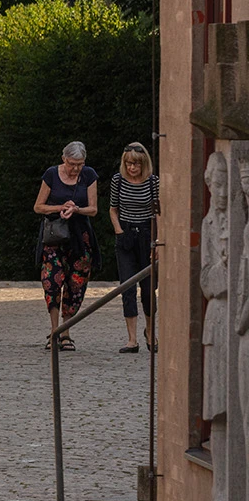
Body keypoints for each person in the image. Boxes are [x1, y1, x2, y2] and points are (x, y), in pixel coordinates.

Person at [34, 140, 98, 349]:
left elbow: (94, 209)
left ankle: (66, 332)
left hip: (80, 237)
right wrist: (61, 207)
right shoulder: (51, 174)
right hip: (55, 236)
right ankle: (54, 331)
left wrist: (77, 209)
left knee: (75, 284)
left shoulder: (89, 175)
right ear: (64, 159)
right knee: (52, 282)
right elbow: (38, 206)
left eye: (80, 164)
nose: (76, 169)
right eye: (72, 164)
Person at [110, 142, 159, 353]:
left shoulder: (152, 182)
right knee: (127, 287)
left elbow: (158, 213)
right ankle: (132, 339)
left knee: (148, 289)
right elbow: (113, 209)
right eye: (129, 164)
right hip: (126, 234)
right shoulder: (118, 180)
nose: (132, 168)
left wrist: (156, 241)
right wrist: (119, 231)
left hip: (147, 233)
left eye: (136, 164)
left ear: (143, 164)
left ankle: (150, 332)